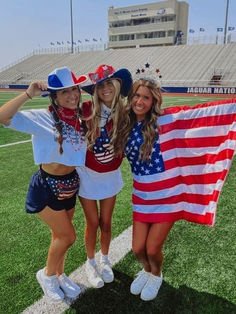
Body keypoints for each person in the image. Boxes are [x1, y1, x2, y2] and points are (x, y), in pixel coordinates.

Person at [117, 72, 236, 301]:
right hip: (141, 196)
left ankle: (157, 274)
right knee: (138, 249)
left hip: (168, 196)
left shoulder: (166, 120)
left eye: (146, 98)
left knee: (152, 249)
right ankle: (146, 270)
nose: (140, 101)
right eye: (137, 96)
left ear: (154, 102)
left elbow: (205, 116)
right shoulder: (124, 124)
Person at [0, 67, 88, 302]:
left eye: (74, 89)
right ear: (55, 97)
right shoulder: (42, 117)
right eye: (64, 92)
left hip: (70, 185)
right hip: (47, 187)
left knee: (58, 236)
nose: (72, 95)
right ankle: (47, 275)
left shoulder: (80, 119)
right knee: (67, 236)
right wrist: (28, 94)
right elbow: (2, 117)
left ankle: (59, 275)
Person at [76, 64, 132, 288]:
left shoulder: (125, 114)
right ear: (96, 89)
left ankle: (105, 259)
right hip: (87, 175)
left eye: (110, 83)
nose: (106, 88)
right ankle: (90, 263)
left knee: (106, 223)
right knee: (92, 222)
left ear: (117, 86)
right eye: (101, 84)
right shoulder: (86, 109)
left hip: (110, 175)